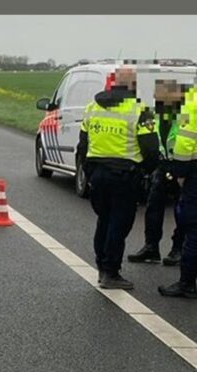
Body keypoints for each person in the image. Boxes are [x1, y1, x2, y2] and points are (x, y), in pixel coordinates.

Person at [78, 66, 160, 290]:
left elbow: (82, 144)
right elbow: (151, 149)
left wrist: (88, 171)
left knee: (104, 219)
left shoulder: (93, 107)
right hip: (125, 174)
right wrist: (145, 171)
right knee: (119, 223)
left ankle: (102, 266)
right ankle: (111, 272)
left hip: (98, 173)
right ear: (133, 85)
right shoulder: (139, 110)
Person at [128, 80, 188, 265]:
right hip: (162, 166)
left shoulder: (186, 116)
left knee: (182, 211)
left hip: (182, 166)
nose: (158, 99)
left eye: (162, 96)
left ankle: (178, 248)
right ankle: (151, 247)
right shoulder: (153, 114)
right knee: (153, 208)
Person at [159, 85, 197, 298]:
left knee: (193, 229)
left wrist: (180, 173)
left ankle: (187, 283)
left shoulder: (192, 101)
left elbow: (184, 139)